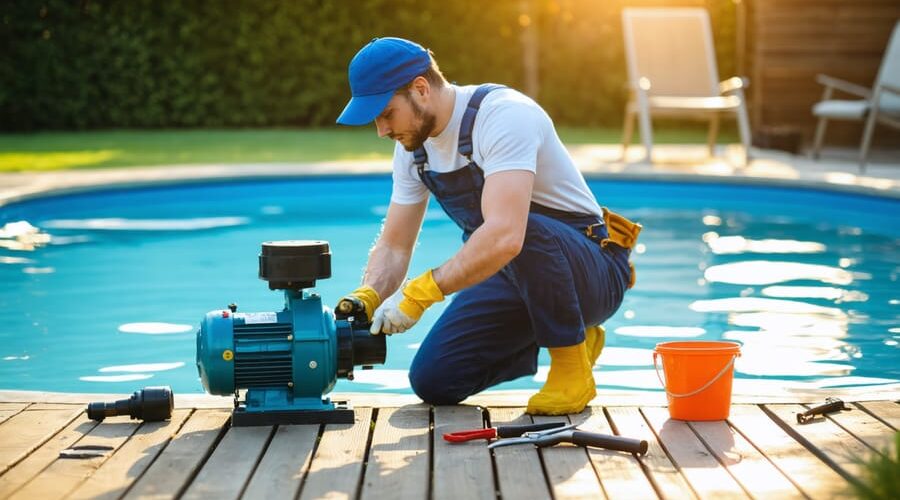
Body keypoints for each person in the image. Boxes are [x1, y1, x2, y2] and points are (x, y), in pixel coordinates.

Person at [335, 37, 640, 415]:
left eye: (386, 113)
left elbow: (506, 236)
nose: (381, 130)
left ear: (420, 89)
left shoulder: (503, 116)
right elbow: (395, 246)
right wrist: (369, 295)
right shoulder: (413, 152)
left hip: (593, 272)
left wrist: (421, 292)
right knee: (435, 380)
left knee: (519, 229)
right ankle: (576, 333)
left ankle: (570, 366)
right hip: (516, 275)